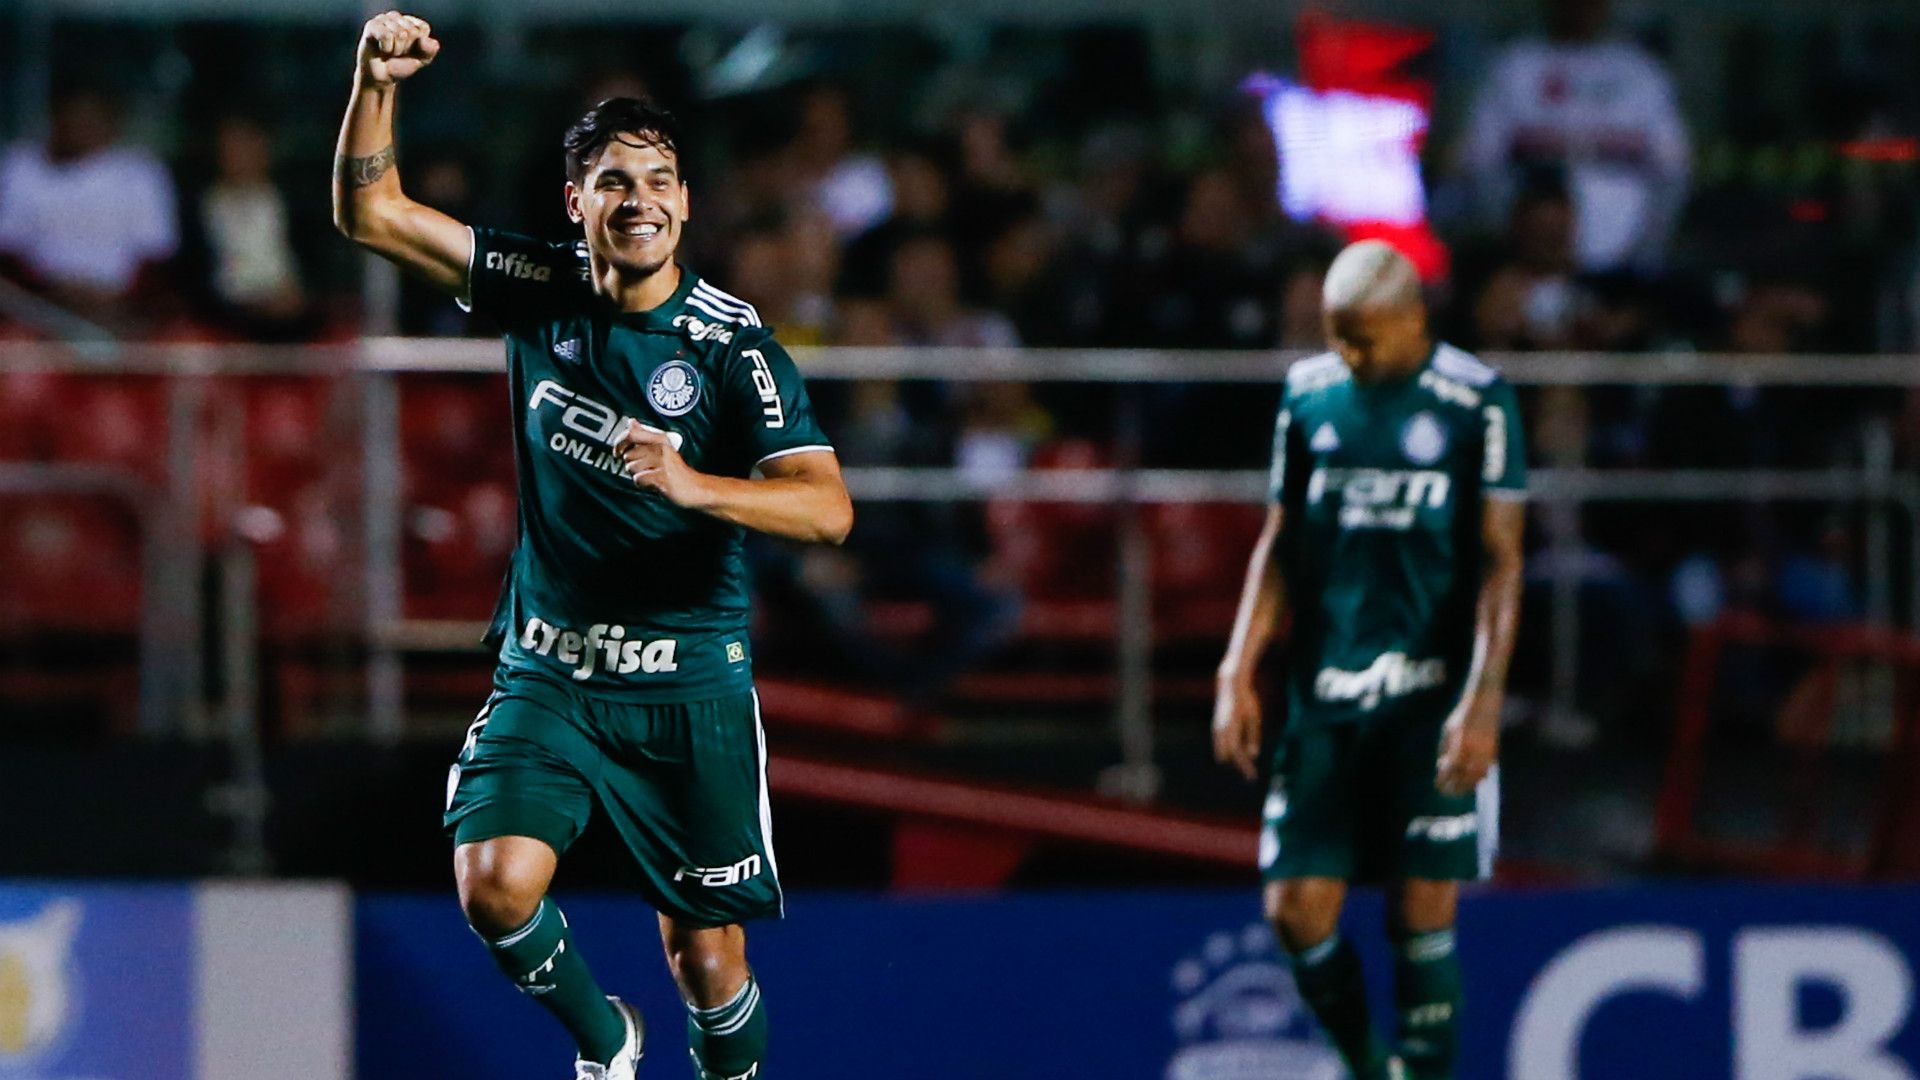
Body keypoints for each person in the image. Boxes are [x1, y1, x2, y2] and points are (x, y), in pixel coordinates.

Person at [332, 13, 853, 1080]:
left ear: (687, 202)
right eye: (616, 183)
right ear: (579, 205)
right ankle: (607, 1041)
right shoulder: (539, 285)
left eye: (660, 180)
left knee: (707, 960)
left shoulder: (731, 344)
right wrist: (374, 84)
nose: (642, 201)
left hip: (688, 686)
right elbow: (372, 214)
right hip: (553, 671)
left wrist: (692, 482)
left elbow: (827, 507)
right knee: (493, 886)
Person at [1212, 240, 1527, 1080]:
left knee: (1420, 908)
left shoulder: (1477, 403)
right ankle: (1365, 1065)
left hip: (1430, 698)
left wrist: (1484, 700)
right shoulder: (1309, 397)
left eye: (1365, 339)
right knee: (1295, 910)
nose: (1349, 355)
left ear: (1414, 319)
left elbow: (1502, 560)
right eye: (1336, 336)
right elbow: (1280, 541)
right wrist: (1237, 667)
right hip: (1326, 694)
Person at [1456, 0, 1689, 275]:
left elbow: (1673, 172)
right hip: (1528, 267)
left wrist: (1648, 250)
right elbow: (1480, 165)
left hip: (1624, 261)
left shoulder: (1642, 73)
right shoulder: (1515, 66)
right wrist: (1507, 244)